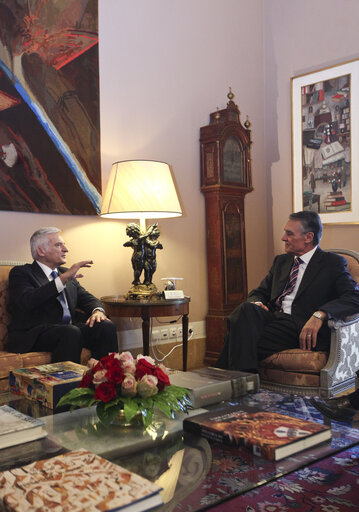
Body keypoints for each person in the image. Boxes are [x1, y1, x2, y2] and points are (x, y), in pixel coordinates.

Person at [215, 210, 359, 372]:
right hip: (274, 318)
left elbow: (355, 297)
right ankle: (243, 383)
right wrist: (257, 303)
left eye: (289, 234)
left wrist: (320, 314)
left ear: (308, 237)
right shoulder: (281, 261)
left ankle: (229, 381)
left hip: (300, 325)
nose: (283, 238)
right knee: (246, 309)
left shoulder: (332, 263)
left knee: (238, 336)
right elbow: (259, 292)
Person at [7, 227, 118, 363]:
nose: (66, 249)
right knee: (70, 332)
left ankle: (105, 379)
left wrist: (98, 311)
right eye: (58, 245)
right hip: (36, 333)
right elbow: (28, 300)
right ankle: (68, 383)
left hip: (69, 330)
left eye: (64, 244)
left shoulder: (64, 273)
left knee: (106, 326)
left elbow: (87, 298)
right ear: (41, 251)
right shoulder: (22, 273)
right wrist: (62, 279)